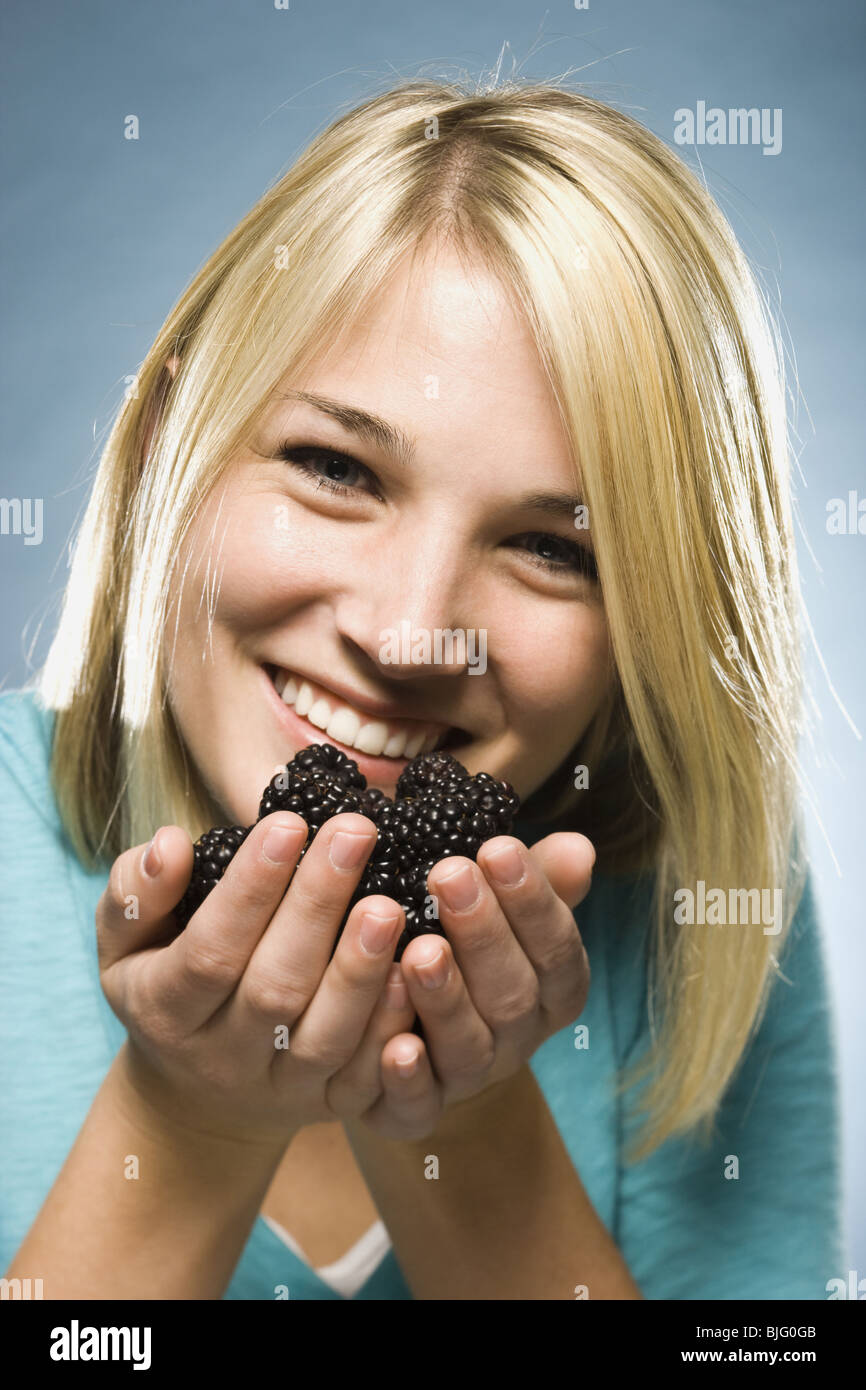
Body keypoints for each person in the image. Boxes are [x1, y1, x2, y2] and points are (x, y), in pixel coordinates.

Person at [0, 78, 845, 1300]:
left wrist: (457, 1118)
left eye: (553, 549)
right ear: (168, 437)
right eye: (335, 467)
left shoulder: (704, 908)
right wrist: (189, 1124)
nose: (411, 635)